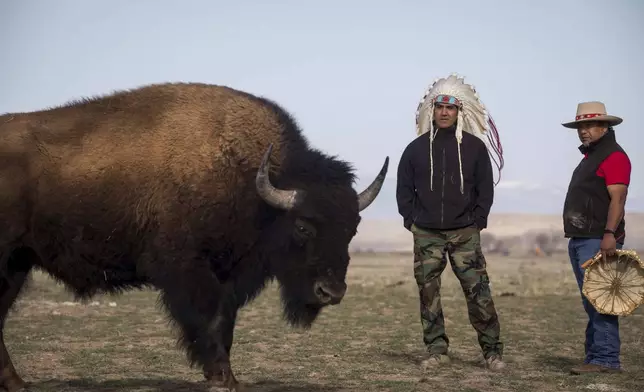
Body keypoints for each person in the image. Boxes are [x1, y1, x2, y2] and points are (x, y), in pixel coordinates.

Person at [396, 74, 505, 371]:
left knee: (478, 292)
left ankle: (492, 352)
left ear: (460, 111)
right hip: (427, 233)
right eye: (439, 106)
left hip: (464, 233)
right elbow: (404, 190)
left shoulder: (474, 148)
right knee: (428, 293)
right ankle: (436, 350)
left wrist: (477, 221)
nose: (444, 112)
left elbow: (485, 188)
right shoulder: (415, 149)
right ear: (431, 110)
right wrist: (413, 221)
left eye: (451, 107)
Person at [561, 101, 631, 374]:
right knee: (591, 300)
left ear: (605, 126)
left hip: (597, 239)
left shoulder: (613, 156)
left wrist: (610, 235)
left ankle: (606, 359)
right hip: (582, 237)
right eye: (580, 126)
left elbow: (619, 198)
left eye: (589, 125)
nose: (583, 131)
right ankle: (595, 357)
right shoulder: (592, 157)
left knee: (600, 299)